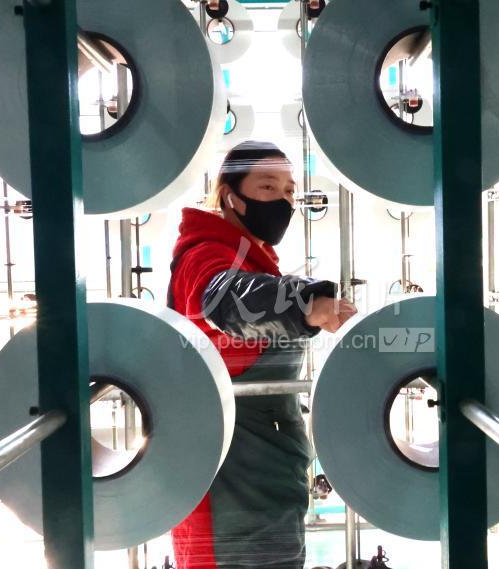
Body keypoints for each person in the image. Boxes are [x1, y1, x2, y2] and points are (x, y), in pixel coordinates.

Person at [168, 141, 357, 568]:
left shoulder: (251, 260)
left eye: (289, 190)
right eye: (268, 187)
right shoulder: (206, 255)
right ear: (230, 196)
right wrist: (305, 302)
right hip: (229, 505)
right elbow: (226, 300)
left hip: (262, 492)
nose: (283, 201)